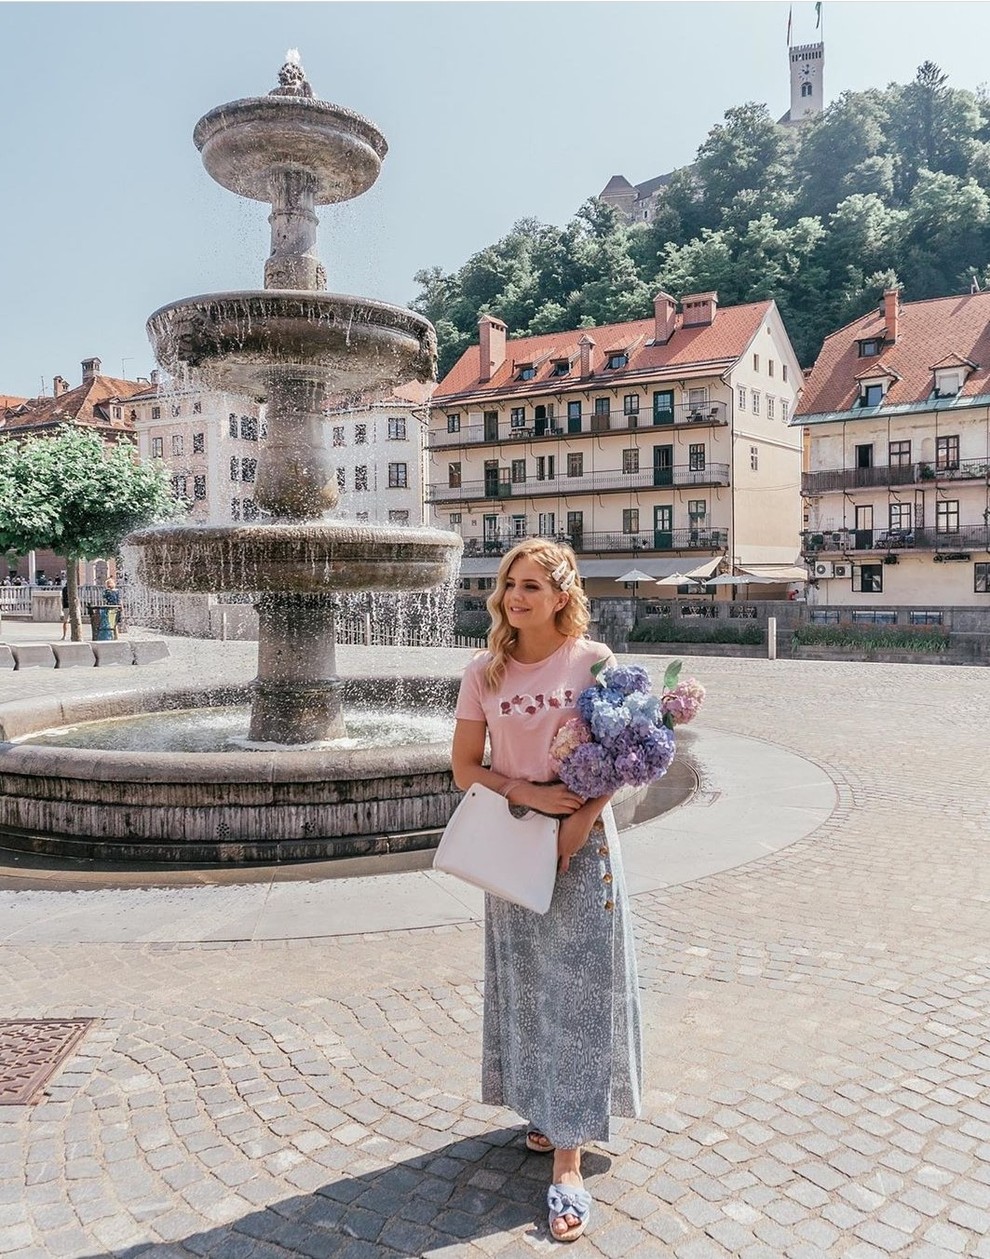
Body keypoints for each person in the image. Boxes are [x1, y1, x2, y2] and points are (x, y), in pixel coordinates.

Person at [451, 539, 642, 1244]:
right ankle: (545, 1106)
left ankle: (569, 1159)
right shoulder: (484, 670)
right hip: (513, 843)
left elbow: (626, 757)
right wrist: (525, 790)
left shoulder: (594, 662)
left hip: (585, 846)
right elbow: (466, 766)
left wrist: (581, 819)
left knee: (584, 990)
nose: (515, 597)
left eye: (531, 585)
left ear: (562, 595)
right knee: (530, 983)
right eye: (509, 584)